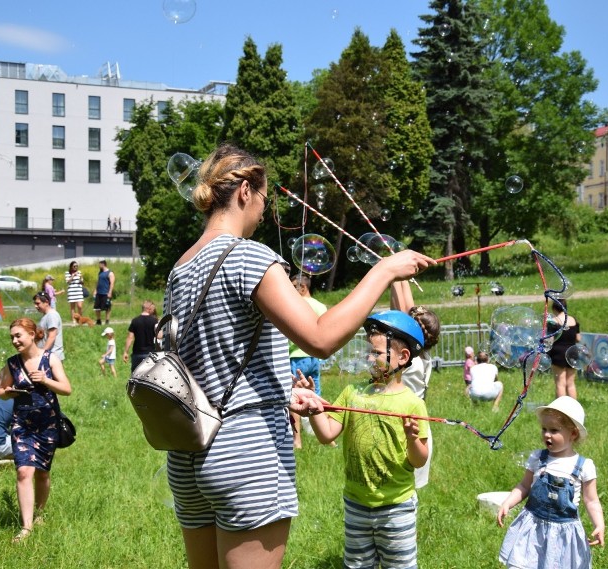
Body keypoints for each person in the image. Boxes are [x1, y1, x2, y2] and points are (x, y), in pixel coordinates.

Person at [161, 143, 432, 569]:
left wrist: (278, 392)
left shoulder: (181, 267)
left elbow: (205, 364)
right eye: (265, 201)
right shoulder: (248, 255)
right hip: (244, 455)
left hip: (188, 453)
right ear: (246, 190)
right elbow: (319, 338)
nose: (264, 214)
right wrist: (383, 271)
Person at [308, 310, 430, 569]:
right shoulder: (352, 393)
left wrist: (411, 439)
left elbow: (419, 460)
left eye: (375, 352)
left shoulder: (412, 403)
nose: (368, 357)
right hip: (356, 503)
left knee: (400, 565)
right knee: (356, 565)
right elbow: (326, 434)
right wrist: (315, 410)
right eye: (368, 351)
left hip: (396, 507)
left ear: (402, 357)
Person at [497, 396, 605, 569]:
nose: (547, 434)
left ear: (573, 433)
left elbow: (591, 500)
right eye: (544, 429)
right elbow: (524, 486)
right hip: (533, 526)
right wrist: (508, 503)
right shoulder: (537, 458)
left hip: (564, 532)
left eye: (554, 430)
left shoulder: (584, 466)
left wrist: (599, 524)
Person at [0, 318, 72, 543]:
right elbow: (0, 390)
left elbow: (67, 389)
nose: (14, 340)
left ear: (32, 334)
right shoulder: (12, 363)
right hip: (21, 425)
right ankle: (26, 527)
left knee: (42, 472)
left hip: (47, 424)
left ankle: (39, 513)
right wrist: (8, 392)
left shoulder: (50, 359)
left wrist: (47, 381)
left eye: (18, 335)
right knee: (23, 472)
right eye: (12, 337)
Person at [390, 278, 441, 489]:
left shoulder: (408, 361)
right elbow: (408, 312)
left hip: (406, 427)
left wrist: (392, 277)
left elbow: (400, 315)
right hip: (419, 425)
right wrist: (400, 278)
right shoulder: (422, 355)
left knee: (401, 487)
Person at [288, 273, 328, 449]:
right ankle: (324, 433)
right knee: (315, 395)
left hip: (297, 357)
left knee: (295, 396)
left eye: (292, 287)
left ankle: (297, 440)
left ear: (302, 287)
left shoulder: (296, 306)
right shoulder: (320, 306)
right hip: (314, 359)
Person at [547, 299, 582, 399]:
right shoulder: (573, 320)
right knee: (570, 383)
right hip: (573, 352)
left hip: (558, 354)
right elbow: (578, 338)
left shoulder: (553, 322)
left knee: (560, 383)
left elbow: (550, 340)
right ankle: (573, 408)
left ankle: (560, 409)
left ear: (554, 308)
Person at [123, 300, 158, 373]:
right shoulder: (154, 320)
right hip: (150, 353)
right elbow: (160, 336)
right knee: (149, 376)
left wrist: (125, 352)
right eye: (152, 309)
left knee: (135, 376)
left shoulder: (135, 321)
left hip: (137, 354)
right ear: (148, 309)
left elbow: (130, 338)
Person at [33, 292, 64, 361]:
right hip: (47, 356)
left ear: (46, 302)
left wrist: (42, 353)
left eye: (38, 303)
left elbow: (52, 337)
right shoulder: (46, 316)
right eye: (35, 303)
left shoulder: (52, 315)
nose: (35, 306)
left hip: (52, 357)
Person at [94, 260, 115, 325]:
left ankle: (107, 320)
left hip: (106, 293)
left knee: (107, 308)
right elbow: (98, 282)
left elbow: (112, 283)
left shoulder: (110, 273)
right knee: (97, 307)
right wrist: (95, 290)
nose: (99, 266)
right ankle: (98, 320)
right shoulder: (100, 272)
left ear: (103, 264)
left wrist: (110, 292)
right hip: (99, 293)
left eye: (100, 264)